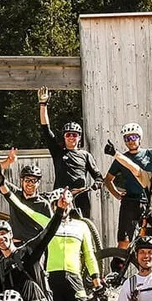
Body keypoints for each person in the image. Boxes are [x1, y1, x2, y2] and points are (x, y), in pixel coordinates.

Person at [42, 188, 99, 301]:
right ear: (53, 206)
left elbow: (89, 254)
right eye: (57, 204)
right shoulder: (48, 224)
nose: (63, 207)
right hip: (52, 278)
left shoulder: (81, 226)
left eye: (67, 204)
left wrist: (96, 280)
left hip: (75, 278)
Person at [37, 88, 102, 218]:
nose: (71, 137)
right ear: (64, 137)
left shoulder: (85, 155)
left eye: (74, 134)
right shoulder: (58, 152)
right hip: (60, 196)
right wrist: (43, 105)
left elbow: (98, 176)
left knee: (83, 228)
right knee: (59, 228)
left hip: (81, 197)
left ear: (79, 137)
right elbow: (46, 129)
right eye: (68, 134)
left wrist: (97, 184)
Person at [103, 123, 152, 246]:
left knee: (149, 241)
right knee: (124, 241)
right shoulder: (121, 159)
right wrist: (117, 194)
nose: (130, 141)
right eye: (127, 138)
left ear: (139, 138)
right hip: (129, 202)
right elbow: (108, 179)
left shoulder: (150, 154)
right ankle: (120, 265)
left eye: (133, 137)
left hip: (150, 202)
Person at [0, 157, 50, 243]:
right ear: (21, 181)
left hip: (34, 246)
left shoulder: (43, 204)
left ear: (38, 183)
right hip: (15, 245)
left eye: (33, 181)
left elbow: (50, 229)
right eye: (27, 180)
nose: (30, 183)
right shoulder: (15, 194)